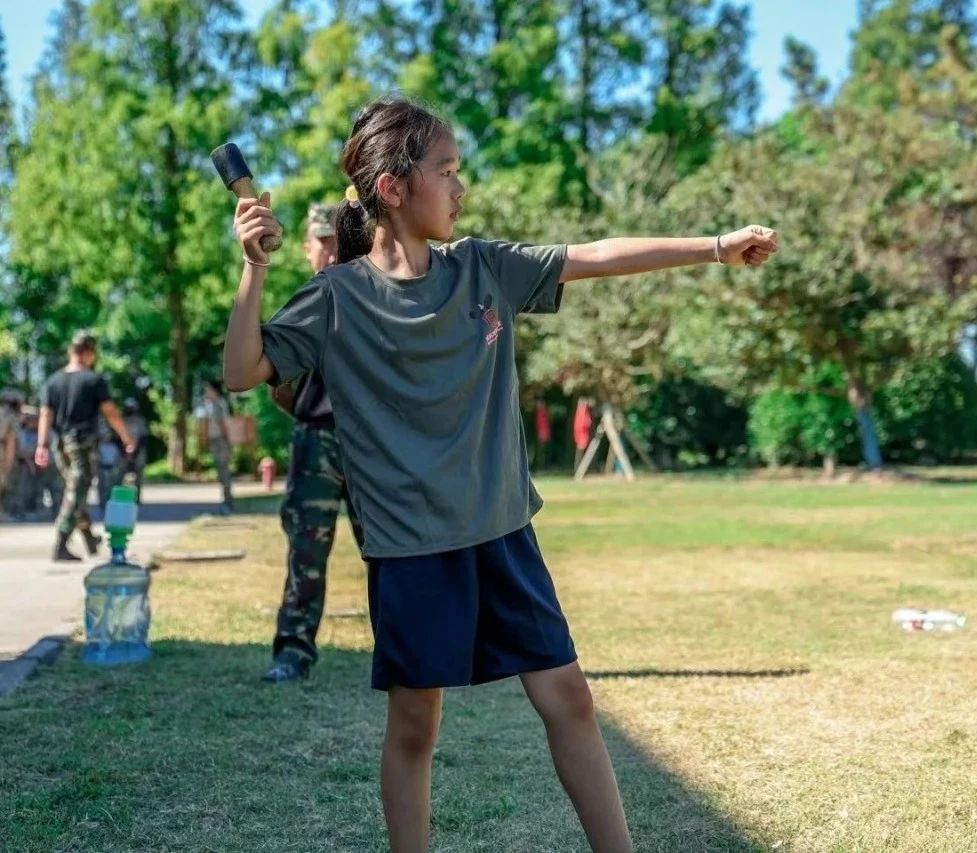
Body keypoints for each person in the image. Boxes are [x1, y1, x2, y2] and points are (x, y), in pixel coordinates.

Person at [222, 96, 778, 852]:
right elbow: (241, 369)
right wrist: (252, 270)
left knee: (570, 699)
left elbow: (595, 254)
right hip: (412, 549)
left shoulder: (482, 267)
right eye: (446, 171)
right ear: (392, 187)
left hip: (503, 532)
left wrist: (714, 246)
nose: (459, 187)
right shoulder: (336, 299)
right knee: (416, 724)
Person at [264, 203, 364, 685]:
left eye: (336, 239)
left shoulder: (372, 292)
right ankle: (293, 652)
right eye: (321, 241)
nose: (331, 249)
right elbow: (277, 380)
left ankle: (408, 653)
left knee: (392, 552)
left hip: (372, 442)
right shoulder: (304, 302)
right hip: (317, 441)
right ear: (307, 249)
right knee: (305, 550)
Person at [35, 332, 135, 562]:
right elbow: (110, 412)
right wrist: (126, 437)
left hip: (59, 444)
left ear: (71, 351)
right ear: (89, 353)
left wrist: (41, 445)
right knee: (77, 490)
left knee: (75, 489)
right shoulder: (94, 380)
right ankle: (61, 542)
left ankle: (89, 538)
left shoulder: (53, 381)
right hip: (81, 443)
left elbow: (45, 414)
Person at [201, 380, 234, 513]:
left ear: (214, 391)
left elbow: (222, 425)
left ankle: (228, 501)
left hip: (220, 441)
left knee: (224, 471)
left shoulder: (218, 405)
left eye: (208, 390)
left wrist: (227, 441)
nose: (206, 393)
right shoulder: (213, 405)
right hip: (217, 440)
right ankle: (226, 500)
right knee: (222, 471)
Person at [0, 390, 20, 522]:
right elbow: (10, 438)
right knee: (3, 480)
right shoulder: (9, 415)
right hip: (3, 449)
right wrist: (9, 459)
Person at [120, 398, 148, 503]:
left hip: (138, 450)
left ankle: (137, 497)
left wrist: (136, 449)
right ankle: (123, 496)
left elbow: (144, 437)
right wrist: (124, 449)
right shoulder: (122, 420)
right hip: (123, 451)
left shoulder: (140, 421)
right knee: (121, 474)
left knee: (139, 475)